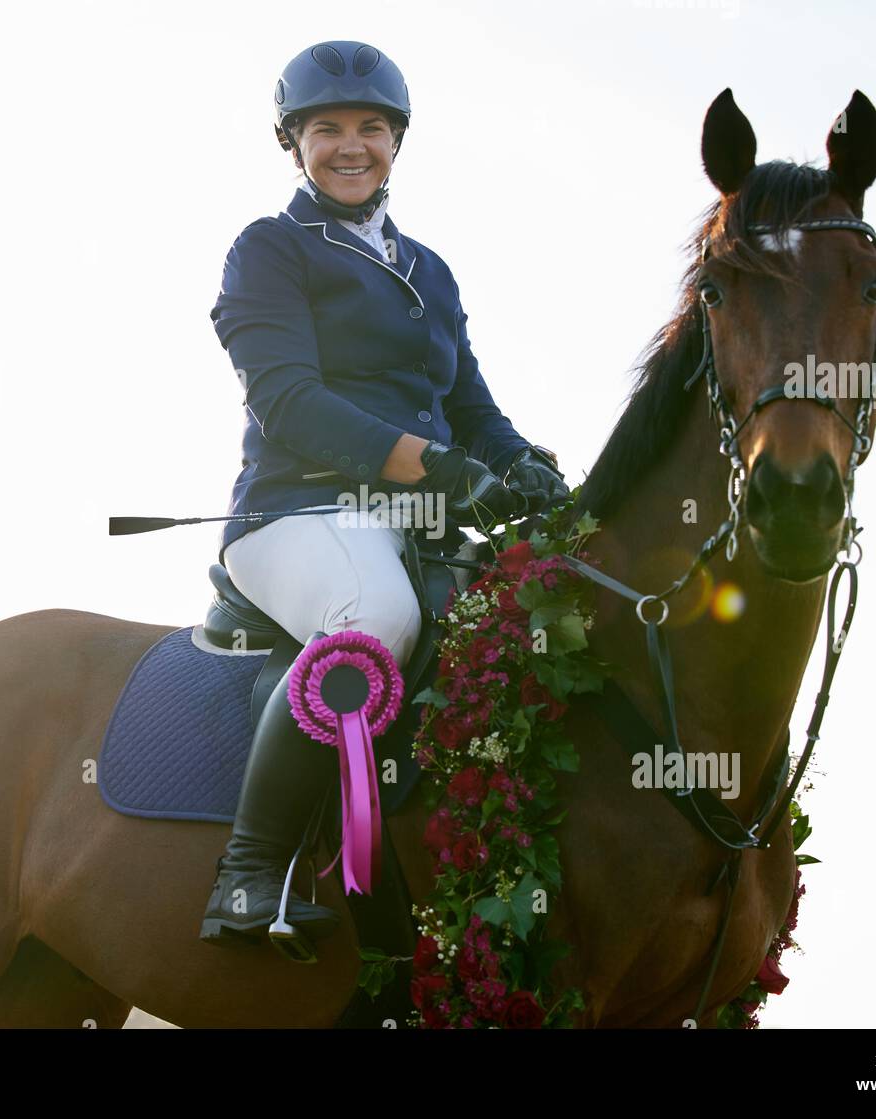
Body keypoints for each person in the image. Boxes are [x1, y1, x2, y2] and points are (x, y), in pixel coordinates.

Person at [200, 40, 569, 951]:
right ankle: (248, 873)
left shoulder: (429, 269)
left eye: (371, 128)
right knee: (378, 617)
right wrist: (433, 467)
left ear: (397, 141)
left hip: (422, 523)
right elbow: (289, 403)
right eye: (327, 129)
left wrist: (522, 464)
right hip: (299, 513)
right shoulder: (268, 249)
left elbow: (470, 404)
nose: (350, 146)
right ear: (294, 143)